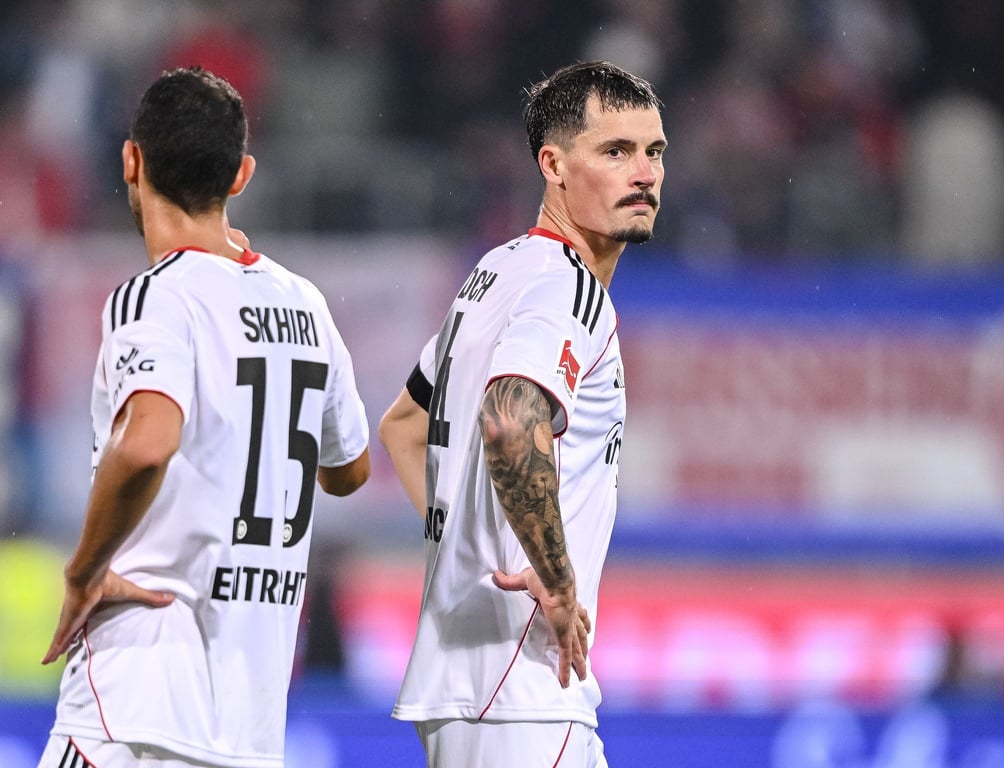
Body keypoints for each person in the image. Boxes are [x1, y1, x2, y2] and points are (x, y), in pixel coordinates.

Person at [36, 66, 371, 768]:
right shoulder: (303, 304)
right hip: (249, 725)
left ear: (132, 160)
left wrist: (84, 571)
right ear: (241, 174)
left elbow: (147, 443)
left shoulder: (154, 299)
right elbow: (349, 468)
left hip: (134, 706)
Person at [378, 60, 667, 767]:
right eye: (615, 151)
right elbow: (510, 419)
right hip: (525, 689)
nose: (644, 174)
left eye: (654, 151)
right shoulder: (570, 291)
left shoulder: (495, 272)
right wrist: (559, 583)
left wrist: (469, 556)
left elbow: (404, 428)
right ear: (554, 164)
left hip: (465, 685)